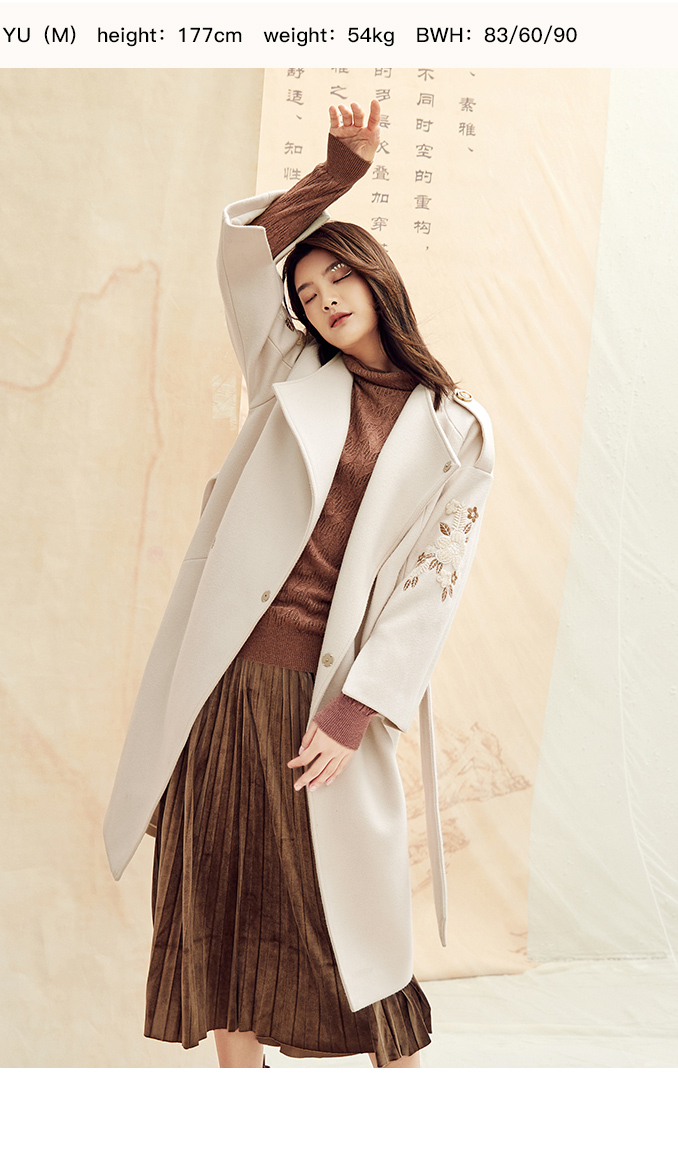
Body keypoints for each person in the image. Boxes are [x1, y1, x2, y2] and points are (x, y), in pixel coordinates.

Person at [103, 99, 494, 1068]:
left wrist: (355, 709)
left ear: (377, 277)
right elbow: (247, 258)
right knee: (220, 887)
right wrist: (335, 174)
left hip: (329, 693)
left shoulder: (457, 430)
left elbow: (433, 586)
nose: (323, 299)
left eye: (339, 276)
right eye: (310, 290)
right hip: (227, 675)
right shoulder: (288, 370)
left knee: (345, 910)